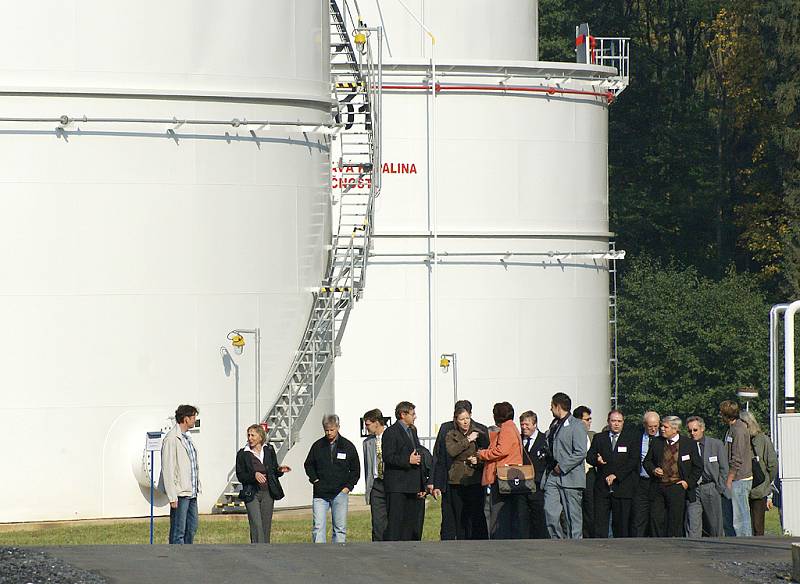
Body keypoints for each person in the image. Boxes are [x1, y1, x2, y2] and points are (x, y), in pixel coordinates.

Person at [432, 399, 489, 540]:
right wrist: (435, 482)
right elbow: (439, 456)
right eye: (461, 418)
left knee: (475, 514)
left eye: (467, 417)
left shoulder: (480, 429)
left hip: (474, 477)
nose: (465, 422)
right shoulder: (447, 429)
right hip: (453, 477)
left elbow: (487, 451)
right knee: (453, 514)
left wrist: (479, 460)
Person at [303, 414, 360, 543]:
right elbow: (308, 465)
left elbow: (355, 470)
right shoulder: (317, 446)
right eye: (326, 430)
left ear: (338, 427)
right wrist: (315, 480)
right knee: (318, 527)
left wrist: (348, 487)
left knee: (340, 528)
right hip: (320, 494)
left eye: (332, 429)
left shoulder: (347, 446)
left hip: (340, 493)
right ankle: (319, 554)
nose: (329, 433)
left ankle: (338, 555)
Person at [643, 415, 702, 537]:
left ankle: (674, 544)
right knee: (656, 518)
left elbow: (698, 467)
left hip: (677, 487)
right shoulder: (656, 442)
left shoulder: (688, 444)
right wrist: (654, 470)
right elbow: (647, 462)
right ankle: (658, 544)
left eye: (665, 427)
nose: (662, 429)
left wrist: (687, 483)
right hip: (658, 486)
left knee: (675, 520)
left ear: (675, 429)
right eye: (662, 426)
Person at [542, 392, 587, 539]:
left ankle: (575, 543)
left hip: (570, 476)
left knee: (572, 516)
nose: (550, 409)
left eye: (552, 406)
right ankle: (556, 540)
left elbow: (580, 452)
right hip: (553, 476)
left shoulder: (577, 425)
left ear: (558, 406)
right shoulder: (554, 425)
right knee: (550, 510)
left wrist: (562, 466)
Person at [586, 409, 638, 538]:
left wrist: (616, 476)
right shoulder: (599, 438)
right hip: (602, 487)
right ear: (608, 422)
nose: (616, 424)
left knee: (621, 524)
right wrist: (596, 460)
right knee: (600, 523)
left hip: (622, 486)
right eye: (613, 421)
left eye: (619, 421)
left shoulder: (631, 438)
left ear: (623, 422)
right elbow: (589, 457)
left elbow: (633, 461)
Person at [476, 401, 524, 539]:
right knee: (506, 510)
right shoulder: (512, 427)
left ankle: (499, 538)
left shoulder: (506, 428)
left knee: (498, 510)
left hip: (503, 475)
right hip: (510, 474)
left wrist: (483, 454)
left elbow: (501, 450)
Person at [235, 424, 290, 543]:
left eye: (253, 435)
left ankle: (266, 551)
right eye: (248, 435)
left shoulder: (268, 450)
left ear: (260, 437)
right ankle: (257, 550)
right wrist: (254, 475)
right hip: (252, 493)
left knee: (266, 525)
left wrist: (280, 470)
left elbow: (273, 469)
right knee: (256, 524)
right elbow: (240, 475)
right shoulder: (243, 454)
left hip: (267, 492)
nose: (250, 438)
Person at [382, 401, 425, 541]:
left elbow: (417, 454)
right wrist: (407, 460)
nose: (415, 417)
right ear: (403, 414)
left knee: (409, 523)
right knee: (396, 523)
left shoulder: (412, 431)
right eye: (412, 414)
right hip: (397, 486)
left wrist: (421, 484)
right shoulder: (390, 432)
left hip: (412, 486)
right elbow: (388, 457)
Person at [160, 404, 200, 545]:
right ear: (185, 419)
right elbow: (168, 468)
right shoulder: (172, 439)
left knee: (192, 528)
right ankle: (177, 560)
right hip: (180, 493)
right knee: (179, 531)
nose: (195, 420)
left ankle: (188, 556)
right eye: (193, 417)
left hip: (192, 491)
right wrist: (172, 496)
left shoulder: (187, 438)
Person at [684, 416, 728, 538]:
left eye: (695, 430)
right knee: (693, 524)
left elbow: (724, 468)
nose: (692, 433)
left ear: (702, 429)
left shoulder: (716, 444)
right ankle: (692, 550)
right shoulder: (686, 445)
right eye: (690, 431)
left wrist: (719, 488)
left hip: (710, 487)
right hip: (693, 489)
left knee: (715, 525)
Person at [740, 410, 778, 536]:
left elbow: (772, 464)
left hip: (757, 489)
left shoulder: (762, 439)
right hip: (744, 488)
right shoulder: (737, 439)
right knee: (747, 525)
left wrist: (765, 482)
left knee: (756, 526)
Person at [720, 400, 754, 537]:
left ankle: (745, 544)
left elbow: (737, 458)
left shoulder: (739, 430)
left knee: (740, 518)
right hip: (735, 479)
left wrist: (729, 479)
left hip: (740, 478)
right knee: (732, 517)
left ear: (726, 415)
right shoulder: (732, 429)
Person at [519, 410, 548, 539]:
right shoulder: (519, 440)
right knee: (522, 516)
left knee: (539, 515)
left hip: (537, 484)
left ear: (535, 424)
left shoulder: (544, 440)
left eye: (527, 424)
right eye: (522, 424)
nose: (524, 427)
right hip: (521, 485)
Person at [632, 410, 660, 537]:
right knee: (639, 517)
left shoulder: (663, 440)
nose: (653, 429)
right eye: (650, 427)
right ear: (644, 425)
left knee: (656, 517)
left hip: (658, 483)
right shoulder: (636, 438)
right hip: (641, 481)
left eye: (656, 426)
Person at [362, 408, 388, 541]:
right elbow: (368, 467)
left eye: (368, 424)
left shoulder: (390, 436)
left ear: (376, 422)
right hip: (376, 484)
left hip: (390, 482)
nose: (366, 428)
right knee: (377, 522)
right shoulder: (367, 443)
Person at [574, 405, 596, 538]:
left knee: (590, 507)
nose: (589, 422)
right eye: (587, 419)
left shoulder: (592, 436)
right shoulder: (571, 435)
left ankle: (589, 536)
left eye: (590, 419)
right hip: (576, 474)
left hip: (589, 474)